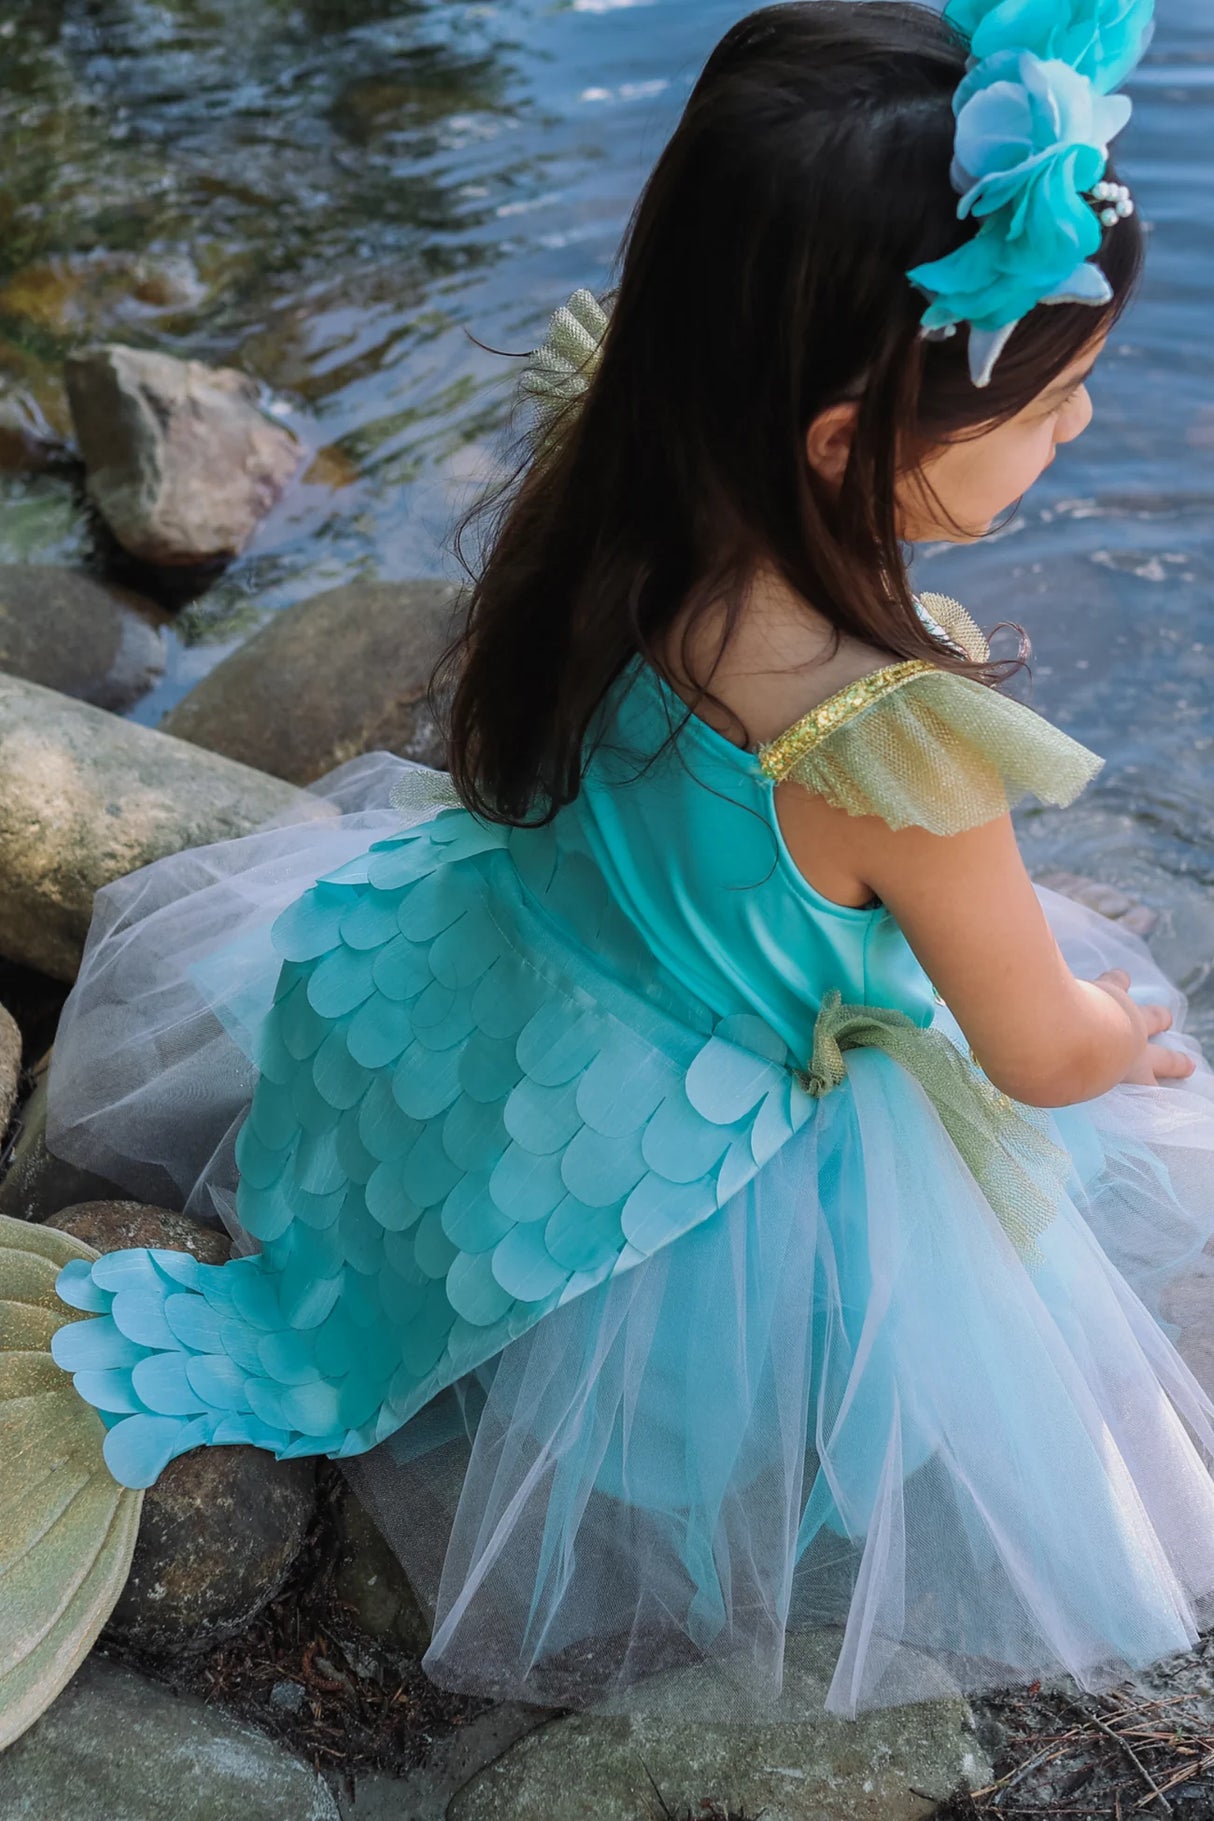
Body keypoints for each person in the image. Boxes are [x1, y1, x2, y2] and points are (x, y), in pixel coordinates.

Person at [6, 0, 1214, 1745]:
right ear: (845, 435)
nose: (1082, 427)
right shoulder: (897, 744)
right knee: (1102, 1143)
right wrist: (1115, 1033)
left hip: (520, 1011)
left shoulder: (633, 494)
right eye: (1046, 399)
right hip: (691, 1188)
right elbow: (1032, 1053)